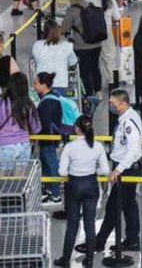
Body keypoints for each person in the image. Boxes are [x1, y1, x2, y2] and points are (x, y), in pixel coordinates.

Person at [76, 90, 142, 254]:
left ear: (124, 102)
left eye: (114, 103)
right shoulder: (127, 118)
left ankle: (98, 242)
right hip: (126, 167)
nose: (111, 106)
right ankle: (132, 240)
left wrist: (118, 170)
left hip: (126, 169)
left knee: (113, 207)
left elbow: (133, 150)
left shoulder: (129, 122)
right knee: (129, 206)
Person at [54, 115, 109, 268]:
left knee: (72, 224)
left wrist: (74, 169)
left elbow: (62, 172)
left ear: (77, 129)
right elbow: (105, 170)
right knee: (89, 224)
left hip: (74, 185)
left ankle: (65, 260)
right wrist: (92, 170)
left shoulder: (69, 147)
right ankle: (90, 260)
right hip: (91, 184)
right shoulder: (97, 146)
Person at [62, 0, 104, 106]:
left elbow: (65, 29)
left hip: (82, 46)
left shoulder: (72, 10)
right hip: (97, 43)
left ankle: (88, 94)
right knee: (95, 67)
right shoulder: (91, 6)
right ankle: (98, 91)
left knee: (85, 71)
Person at [33, 72, 63, 204]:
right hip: (49, 138)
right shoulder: (52, 98)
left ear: (44, 85)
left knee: (51, 166)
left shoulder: (47, 102)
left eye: (36, 83)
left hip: (48, 139)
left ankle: (55, 195)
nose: (34, 86)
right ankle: (49, 191)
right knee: (46, 165)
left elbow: (44, 123)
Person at [32, 19, 78, 97]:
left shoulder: (37, 45)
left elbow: (35, 60)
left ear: (44, 31)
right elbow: (73, 62)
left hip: (42, 85)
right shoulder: (66, 46)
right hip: (61, 84)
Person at [0, 72, 40, 161]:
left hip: (5, 145)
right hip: (24, 145)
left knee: (4, 175)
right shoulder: (28, 104)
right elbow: (36, 127)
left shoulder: (2, 102)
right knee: (21, 175)